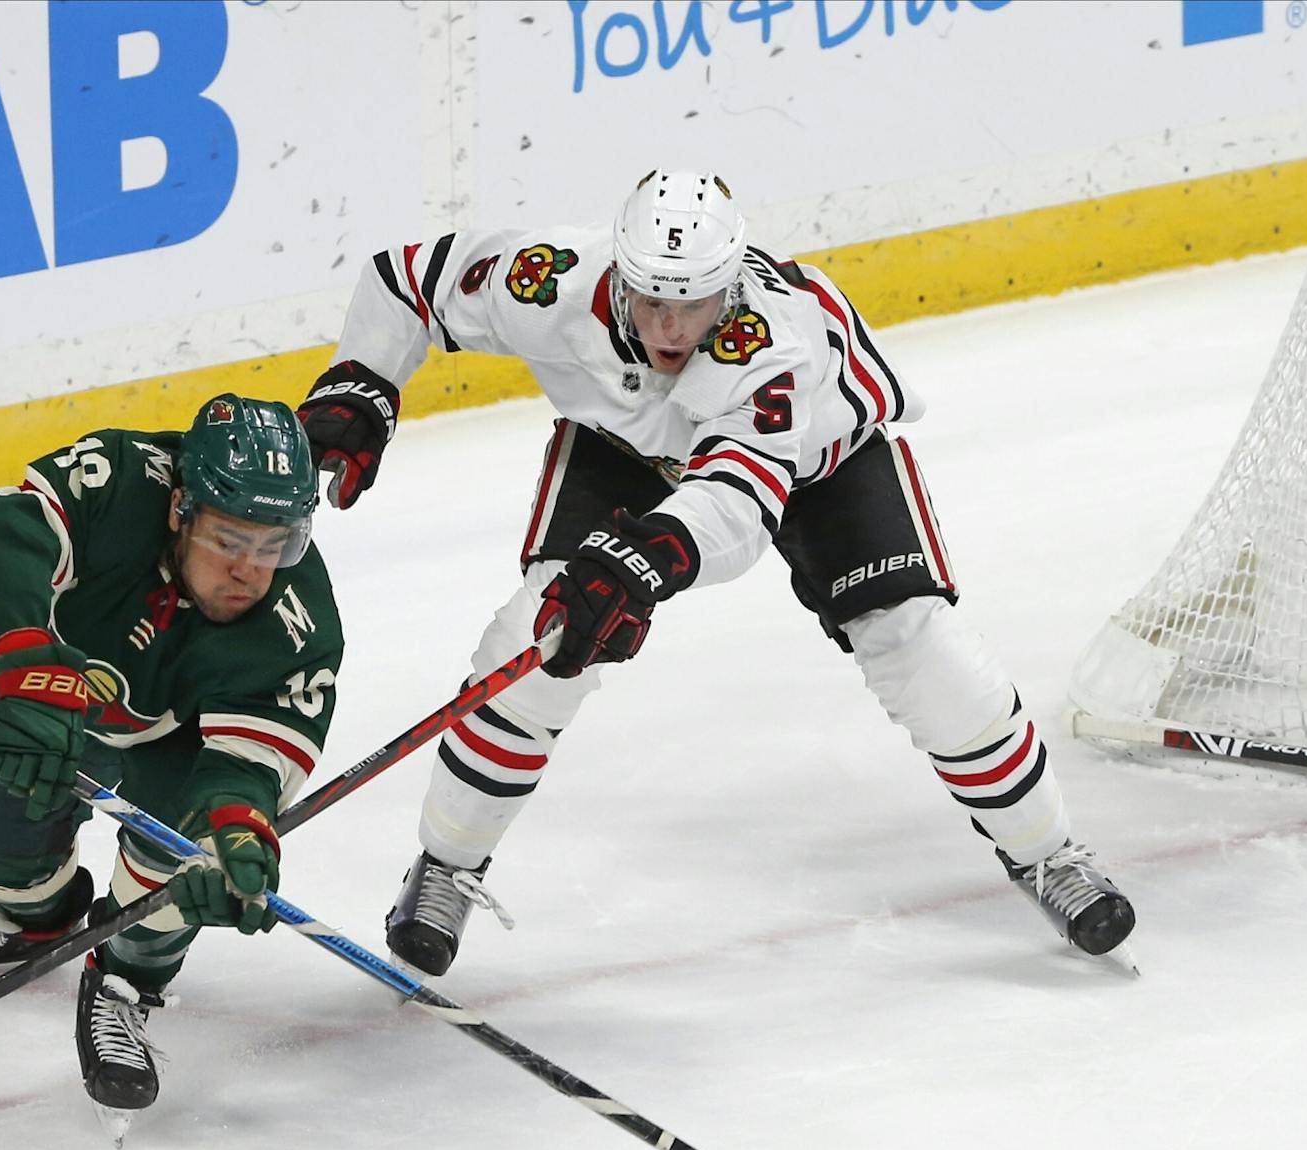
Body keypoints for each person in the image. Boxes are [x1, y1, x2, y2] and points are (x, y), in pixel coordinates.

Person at [295, 168, 1135, 974]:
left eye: (691, 303)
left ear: (728, 285)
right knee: (535, 645)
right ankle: (444, 868)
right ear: (620, 270)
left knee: (920, 648)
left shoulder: (772, 343)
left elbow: (738, 501)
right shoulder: (548, 280)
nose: (667, 328)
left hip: (812, 462)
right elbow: (406, 281)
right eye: (651, 298)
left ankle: (1049, 856)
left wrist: (643, 563)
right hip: (630, 451)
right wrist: (363, 383)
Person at [0, 394, 344, 1134]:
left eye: (272, 545)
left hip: (174, 744)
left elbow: (249, 764)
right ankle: (31, 918)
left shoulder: (297, 617)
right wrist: (17, 653)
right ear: (181, 506)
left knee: (188, 862)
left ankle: (124, 983)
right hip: (52, 703)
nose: (250, 571)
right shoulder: (121, 481)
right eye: (229, 540)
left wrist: (234, 831)